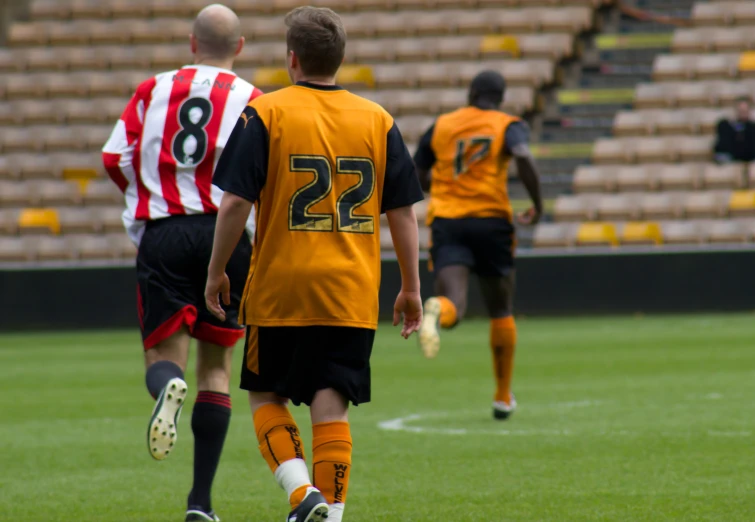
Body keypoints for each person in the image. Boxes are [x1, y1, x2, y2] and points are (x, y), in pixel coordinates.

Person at [205, 6, 424, 522]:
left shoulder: (266, 112)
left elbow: (235, 203)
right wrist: (411, 287)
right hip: (351, 287)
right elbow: (404, 214)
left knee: (264, 394)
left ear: (292, 59)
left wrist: (217, 272)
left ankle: (303, 495)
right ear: (341, 59)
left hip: (281, 285)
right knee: (332, 404)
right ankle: (334, 514)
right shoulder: (379, 119)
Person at [101, 5, 262, 521]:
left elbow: (114, 157)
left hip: (165, 230)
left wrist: (146, 198)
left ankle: (167, 387)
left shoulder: (153, 89)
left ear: (192, 44)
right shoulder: (253, 99)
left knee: (163, 359)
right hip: (226, 233)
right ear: (239, 48)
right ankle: (201, 503)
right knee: (216, 370)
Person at [413, 70, 543, 420]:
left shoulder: (441, 125)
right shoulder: (507, 124)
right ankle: (502, 396)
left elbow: (417, 174)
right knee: (500, 308)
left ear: (471, 93)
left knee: (455, 303)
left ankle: (438, 307)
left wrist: (441, 185)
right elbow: (524, 157)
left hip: (448, 222)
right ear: (500, 98)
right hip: (491, 222)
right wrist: (538, 204)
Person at [714, 96, 755, 164]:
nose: (743, 112)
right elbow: (721, 151)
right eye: (741, 110)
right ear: (736, 110)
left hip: (754, 164)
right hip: (731, 164)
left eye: (745, 110)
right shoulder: (725, 127)